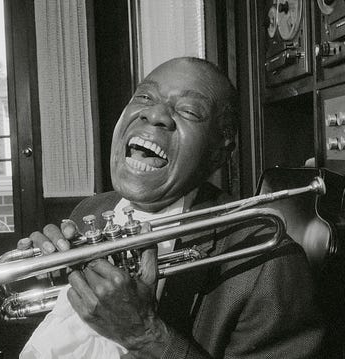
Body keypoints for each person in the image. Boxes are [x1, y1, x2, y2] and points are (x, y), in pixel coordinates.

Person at [18, 57, 325, 358]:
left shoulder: (269, 262)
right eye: (144, 96)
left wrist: (146, 336)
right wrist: (47, 275)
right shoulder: (92, 211)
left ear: (219, 152)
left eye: (189, 110)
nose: (155, 114)